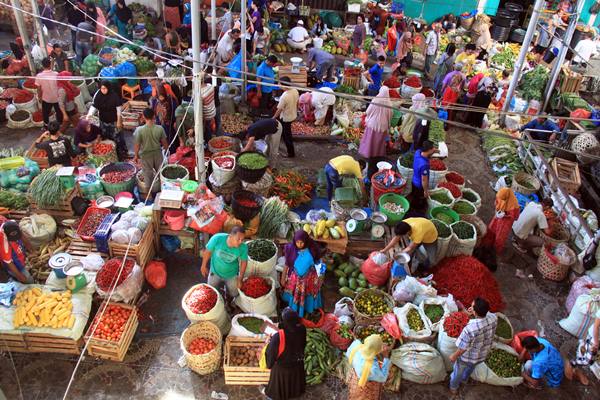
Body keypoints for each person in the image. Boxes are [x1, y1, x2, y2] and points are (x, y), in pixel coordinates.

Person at [448, 298, 497, 395]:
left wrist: (454, 355)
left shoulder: (470, 328)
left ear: (475, 312)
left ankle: (454, 387)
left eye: (472, 306)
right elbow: (486, 315)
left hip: (467, 357)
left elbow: (462, 348)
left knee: (458, 371)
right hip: (482, 354)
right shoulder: (494, 318)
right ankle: (465, 379)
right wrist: (474, 312)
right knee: (471, 367)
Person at [263, 307, 307, 400]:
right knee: (294, 386)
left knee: (276, 390)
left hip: (282, 371)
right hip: (297, 366)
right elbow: (302, 345)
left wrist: (268, 343)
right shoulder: (302, 329)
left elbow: (270, 358)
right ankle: (294, 394)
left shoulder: (278, 336)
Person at [281, 230, 323, 317]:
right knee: (295, 295)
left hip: (309, 281)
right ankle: (295, 310)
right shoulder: (291, 249)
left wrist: (321, 278)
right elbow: (287, 264)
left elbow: (319, 263)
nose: (299, 245)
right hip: (295, 280)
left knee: (307, 295)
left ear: (306, 241)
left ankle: (307, 310)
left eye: (301, 242)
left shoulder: (312, 249)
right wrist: (283, 278)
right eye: (297, 242)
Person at [201, 226, 248, 299]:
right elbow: (208, 251)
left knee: (234, 293)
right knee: (211, 291)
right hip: (215, 271)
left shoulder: (243, 247)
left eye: (242, 240)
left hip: (231, 274)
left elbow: (244, 262)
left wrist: (240, 279)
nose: (240, 242)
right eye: (238, 239)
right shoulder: (217, 238)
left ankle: (229, 299)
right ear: (230, 236)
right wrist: (203, 266)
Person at [359, 86, 392, 180]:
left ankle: (368, 153)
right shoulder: (389, 103)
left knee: (370, 140)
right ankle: (376, 155)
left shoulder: (375, 100)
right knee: (378, 142)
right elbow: (390, 115)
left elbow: (368, 111)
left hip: (373, 124)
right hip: (383, 126)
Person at [133, 108, 168, 195]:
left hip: (145, 156)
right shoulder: (160, 128)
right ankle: (163, 192)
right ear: (154, 116)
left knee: (147, 175)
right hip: (158, 154)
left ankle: (149, 195)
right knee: (161, 173)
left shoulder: (139, 130)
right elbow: (165, 143)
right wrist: (167, 152)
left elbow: (137, 144)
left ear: (144, 117)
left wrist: (136, 155)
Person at [346, 334, 391, 399]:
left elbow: (348, 354)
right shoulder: (373, 367)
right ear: (377, 351)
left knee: (355, 391)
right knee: (367, 395)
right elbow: (383, 378)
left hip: (355, 374)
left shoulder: (356, 344)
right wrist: (386, 357)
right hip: (365, 382)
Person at [481, 188, 521, 255]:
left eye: (503, 199)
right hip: (497, 217)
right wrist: (497, 211)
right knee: (492, 229)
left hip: (505, 222)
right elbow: (496, 202)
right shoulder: (500, 195)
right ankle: (488, 242)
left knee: (500, 236)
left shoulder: (514, 205)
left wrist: (506, 215)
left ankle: (495, 250)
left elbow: (515, 216)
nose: (501, 200)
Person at [565, 311, 600, 386]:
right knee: (589, 360)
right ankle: (572, 364)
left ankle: (583, 350)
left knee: (595, 359)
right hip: (595, 339)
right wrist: (596, 343)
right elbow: (596, 327)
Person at [87, 81, 123, 146]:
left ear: (108, 88)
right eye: (102, 88)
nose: (103, 90)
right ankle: (110, 150)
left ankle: (120, 151)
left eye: (105, 88)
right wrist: (89, 115)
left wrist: (119, 121)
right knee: (104, 136)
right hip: (103, 119)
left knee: (116, 136)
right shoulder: (98, 94)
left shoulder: (114, 96)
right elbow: (94, 105)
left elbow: (119, 109)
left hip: (113, 119)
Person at [408, 140, 437, 213]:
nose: (434, 149)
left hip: (414, 180)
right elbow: (424, 180)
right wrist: (425, 191)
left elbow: (425, 151)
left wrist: (435, 150)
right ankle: (415, 211)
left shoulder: (418, 153)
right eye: (432, 148)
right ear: (429, 150)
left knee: (414, 195)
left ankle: (412, 206)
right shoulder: (424, 165)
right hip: (419, 185)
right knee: (418, 199)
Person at [273, 77, 298, 158]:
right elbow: (297, 102)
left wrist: (273, 118)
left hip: (286, 118)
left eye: (279, 84)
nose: (278, 85)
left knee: (287, 136)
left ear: (283, 85)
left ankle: (291, 153)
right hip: (292, 115)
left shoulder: (285, 96)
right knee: (286, 133)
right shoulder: (295, 90)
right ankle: (287, 148)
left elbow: (279, 110)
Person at [36, 58, 62, 129]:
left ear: (42, 65)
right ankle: (60, 125)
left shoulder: (39, 76)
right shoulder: (56, 74)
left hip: (46, 98)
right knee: (59, 111)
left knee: (45, 113)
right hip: (57, 97)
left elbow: (39, 89)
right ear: (50, 64)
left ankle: (46, 126)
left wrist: (39, 97)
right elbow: (60, 85)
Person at [151, 84, 178, 153]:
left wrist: (175, 122)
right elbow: (153, 111)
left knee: (170, 140)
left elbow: (175, 112)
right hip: (159, 124)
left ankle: (171, 154)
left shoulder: (171, 101)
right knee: (161, 140)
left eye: (162, 96)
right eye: (159, 96)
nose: (161, 98)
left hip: (168, 126)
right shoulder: (155, 101)